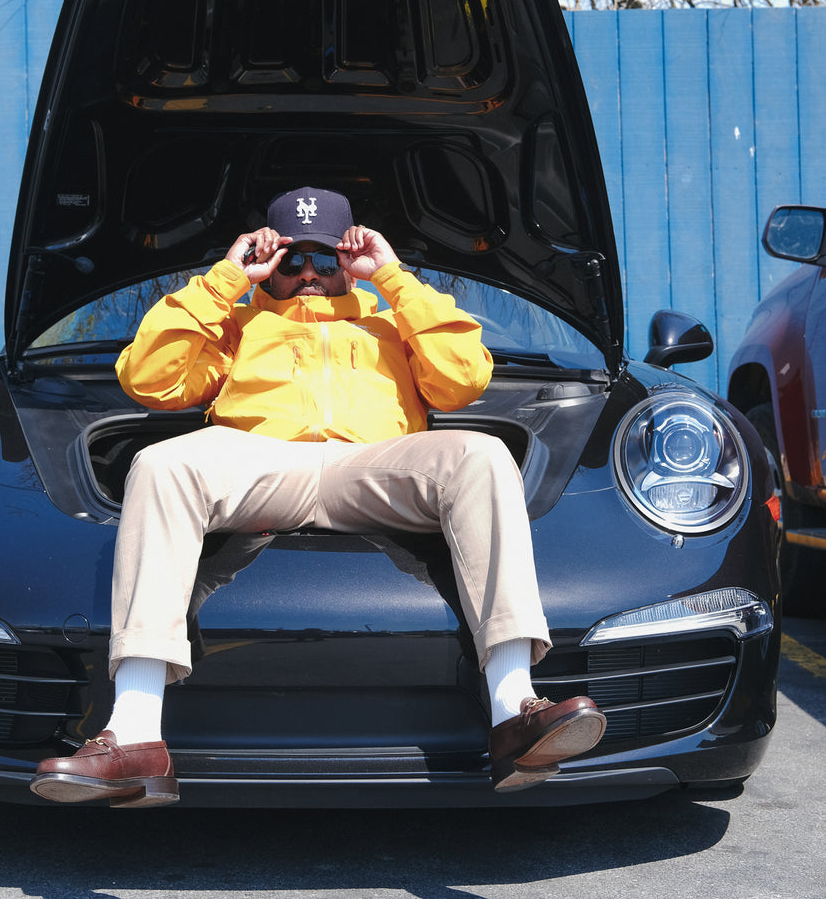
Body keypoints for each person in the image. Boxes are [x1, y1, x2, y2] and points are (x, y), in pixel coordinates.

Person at [30, 187, 605, 806]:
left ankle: (513, 710)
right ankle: (137, 733)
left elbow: (464, 379)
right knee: (160, 464)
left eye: (326, 261)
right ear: (268, 262)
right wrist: (224, 280)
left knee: (484, 455)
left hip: (373, 463)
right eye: (292, 260)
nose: (309, 274)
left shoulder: (392, 320)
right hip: (264, 460)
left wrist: (393, 276)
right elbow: (149, 378)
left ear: (348, 263)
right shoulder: (236, 323)